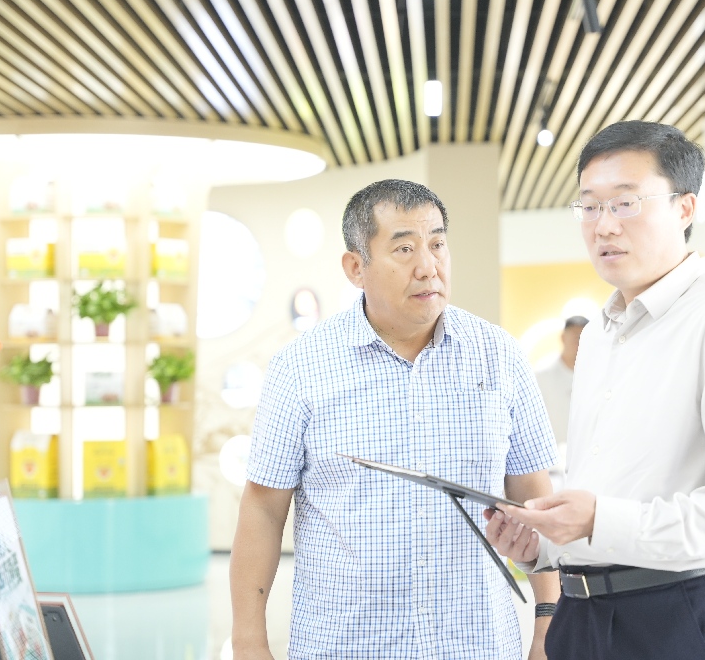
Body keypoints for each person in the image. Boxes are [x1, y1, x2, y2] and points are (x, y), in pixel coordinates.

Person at [485, 120, 705, 659]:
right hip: (581, 616)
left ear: (685, 208)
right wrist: (539, 544)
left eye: (625, 203)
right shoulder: (599, 334)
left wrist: (599, 520)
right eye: (589, 206)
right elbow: (607, 487)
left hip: (676, 617)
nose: (603, 226)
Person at [229, 179, 560, 660]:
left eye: (437, 245)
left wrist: (549, 620)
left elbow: (534, 496)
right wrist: (248, 642)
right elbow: (263, 508)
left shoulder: (499, 356)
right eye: (404, 249)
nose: (428, 266)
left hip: (478, 644)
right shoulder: (299, 367)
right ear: (355, 267)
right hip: (345, 647)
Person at [534, 315, 588, 487]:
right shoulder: (542, 378)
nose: (578, 343)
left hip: (587, 463)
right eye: (575, 338)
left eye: (582, 338)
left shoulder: (597, 378)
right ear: (563, 338)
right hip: (552, 469)